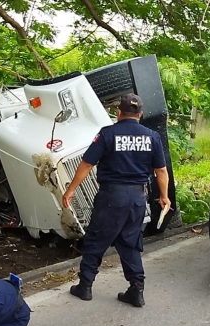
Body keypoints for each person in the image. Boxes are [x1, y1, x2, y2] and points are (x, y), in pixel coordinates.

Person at [62, 93, 171, 308]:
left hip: (112, 196)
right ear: (140, 114)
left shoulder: (107, 134)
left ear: (118, 112)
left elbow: (86, 164)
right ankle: (137, 289)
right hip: (138, 198)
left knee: (96, 239)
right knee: (130, 242)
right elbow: (161, 170)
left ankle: (85, 286)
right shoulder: (152, 136)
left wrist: (71, 189)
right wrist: (164, 197)